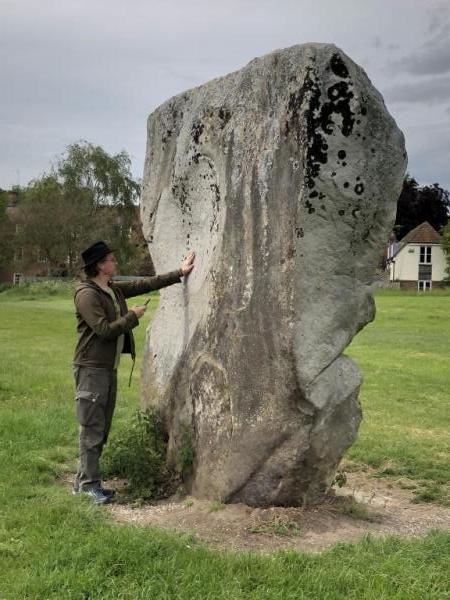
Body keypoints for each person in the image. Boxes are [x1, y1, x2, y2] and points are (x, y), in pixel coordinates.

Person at [73, 240, 195, 504]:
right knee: (92, 429)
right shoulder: (87, 294)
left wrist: (179, 273)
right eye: (112, 260)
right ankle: (88, 486)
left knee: (101, 429)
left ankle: (85, 482)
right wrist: (133, 317)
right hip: (91, 370)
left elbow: (144, 284)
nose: (116, 263)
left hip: (107, 369)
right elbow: (104, 330)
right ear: (100, 265)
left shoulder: (112, 289)